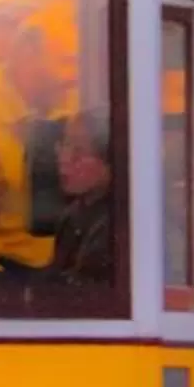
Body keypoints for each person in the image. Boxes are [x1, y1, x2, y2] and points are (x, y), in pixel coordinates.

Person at [0, 5, 75, 267]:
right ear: (27, 55)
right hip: (8, 263)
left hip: (63, 256)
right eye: (66, 60)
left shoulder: (65, 99)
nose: (73, 74)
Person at [49, 111, 116, 287]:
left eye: (79, 151)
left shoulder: (117, 226)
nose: (64, 159)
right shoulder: (72, 215)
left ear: (110, 161)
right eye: (64, 146)